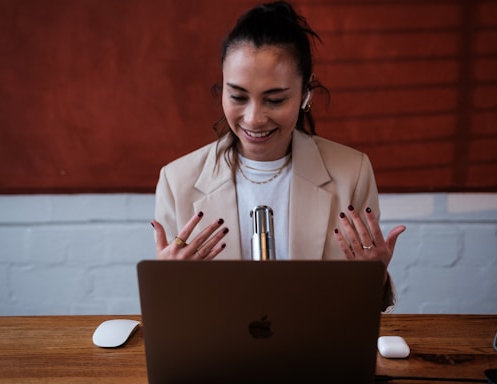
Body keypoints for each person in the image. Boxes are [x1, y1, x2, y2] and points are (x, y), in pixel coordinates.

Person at [151, 1, 406, 312]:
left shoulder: (351, 172)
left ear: (305, 95)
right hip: (218, 355)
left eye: (275, 99)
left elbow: (362, 311)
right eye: (237, 96)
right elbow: (173, 315)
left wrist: (376, 277)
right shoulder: (178, 180)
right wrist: (164, 284)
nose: (254, 118)